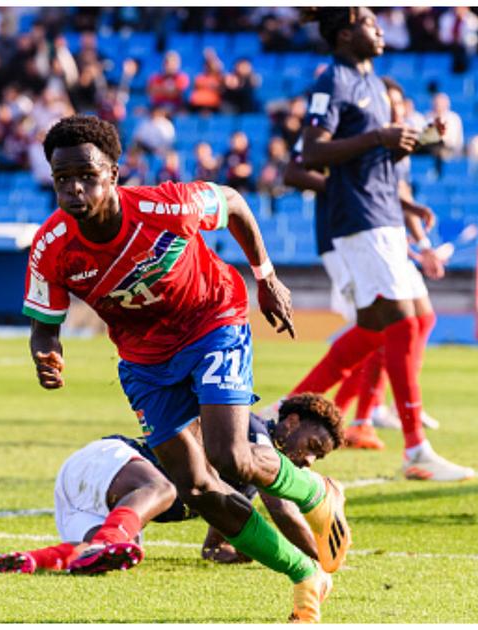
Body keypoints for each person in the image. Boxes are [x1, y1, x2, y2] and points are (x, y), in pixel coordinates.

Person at [20, 115, 348, 622]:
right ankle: (307, 574)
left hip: (212, 322)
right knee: (196, 487)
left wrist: (265, 276)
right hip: (144, 361)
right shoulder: (52, 247)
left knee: (232, 459)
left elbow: (235, 203)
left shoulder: (164, 206)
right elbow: (45, 324)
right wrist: (46, 350)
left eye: (86, 175)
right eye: (62, 178)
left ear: (113, 172)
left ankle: (314, 491)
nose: (74, 189)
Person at [277, 8, 470, 480]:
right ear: (345, 34)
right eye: (368, 20)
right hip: (359, 217)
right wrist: (378, 137)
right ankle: (415, 449)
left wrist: (411, 146)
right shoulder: (333, 81)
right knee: (404, 320)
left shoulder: (375, 85)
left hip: (383, 212)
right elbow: (312, 152)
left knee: (397, 321)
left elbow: (375, 151)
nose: (380, 27)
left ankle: (285, 415)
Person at [0, 393, 343, 574]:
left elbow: (214, 547)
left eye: (317, 459)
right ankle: (112, 539)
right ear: (290, 422)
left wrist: (245, 551)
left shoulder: (245, 483)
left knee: (102, 558)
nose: (308, 460)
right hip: (106, 463)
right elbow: (283, 507)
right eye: (311, 447)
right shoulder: (250, 432)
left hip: (98, 501)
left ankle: (26, 560)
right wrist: (321, 559)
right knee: (166, 488)